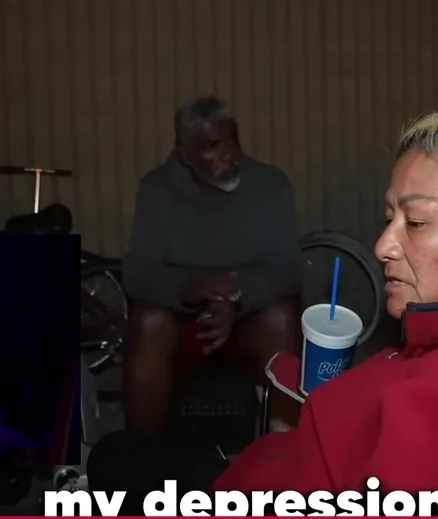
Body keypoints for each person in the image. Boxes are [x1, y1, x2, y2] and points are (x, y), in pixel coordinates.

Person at [89, 87, 438, 519]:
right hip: (276, 480)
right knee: (119, 457)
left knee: (112, 468)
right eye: (390, 218)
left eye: (417, 222)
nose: (383, 245)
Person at [121, 95, 303, 437]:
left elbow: (288, 268)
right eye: (211, 146)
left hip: (247, 320)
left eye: (232, 140)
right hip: (181, 321)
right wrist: (188, 288)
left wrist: (235, 297)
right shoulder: (157, 189)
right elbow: (137, 272)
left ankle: (285, 451)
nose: (228, 154)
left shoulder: (269, 185)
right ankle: (142, 456)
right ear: (185, 154)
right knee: (148, 323)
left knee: (282, 318)